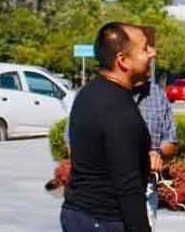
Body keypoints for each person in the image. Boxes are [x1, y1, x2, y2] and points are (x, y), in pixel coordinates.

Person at [62, 22, 156, 232]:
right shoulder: (117, 109)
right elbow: (127, 184)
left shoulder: (89, 92)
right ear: (122, 60)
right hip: (104, 220)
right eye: (144, 49)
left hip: (78, 214)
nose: (152, 53)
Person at [133, 27, 178, 229]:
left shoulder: (157, 94)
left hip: (146, 191)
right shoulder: (97, 95)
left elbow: (171, 142)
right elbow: (75, 146)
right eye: (145, 50)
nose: (153, 54)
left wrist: (158, 154)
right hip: (105, 197)